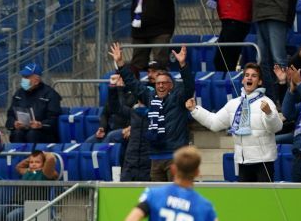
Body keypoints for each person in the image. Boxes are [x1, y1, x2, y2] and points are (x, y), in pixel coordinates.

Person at [110, 43, 195, 182]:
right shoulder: (150, 97)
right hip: (155, 158)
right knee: (158, 199)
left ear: (171, 85)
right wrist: (120, 64)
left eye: (164, 83)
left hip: (175, 156)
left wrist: (183, 65)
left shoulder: (179, 98)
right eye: (158, 83)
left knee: (175, 196)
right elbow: (132, 83)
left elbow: (189, 85)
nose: (160, 86)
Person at [186, 63, 283, 181]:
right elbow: (214, 123)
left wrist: (269, 113)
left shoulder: (266, 102)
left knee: (264, 199)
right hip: (242, 162)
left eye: (254, 76)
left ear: (260, 82)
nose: (249, 78)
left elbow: (276, 128)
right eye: (247, 75)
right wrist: (195, 110)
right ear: (242, 80)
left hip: (263, 162)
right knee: (246, 199)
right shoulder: (234, 104)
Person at [0, 150, 59, 221]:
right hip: (16, 204)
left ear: (43, 163)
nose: (33, 164)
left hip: (34, 207)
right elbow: (19, 166)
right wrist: (33, 157)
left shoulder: (45, 173)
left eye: (37, 162)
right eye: (31, 162)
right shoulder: (27, 171)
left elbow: (51, 158)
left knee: (12, 217)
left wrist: (42, 154)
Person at [5, 62, 62, 143]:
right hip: (22, 130)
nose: (23, 79)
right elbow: (10, 115)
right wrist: (14, 123)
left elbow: (54, 119)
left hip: (44, 133)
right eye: (23, 77)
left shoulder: (50, 94)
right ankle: (18, 155)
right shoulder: (19, 94)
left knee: (32, 134)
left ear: (36, 80)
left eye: (26, 77)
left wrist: (40, 124)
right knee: (17, 133)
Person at [86, 73, 135, 144]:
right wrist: (102, 127)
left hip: (124, 131)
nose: (118, 81)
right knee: (89, 142)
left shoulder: (133, 95)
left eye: (120, 78)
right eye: (117, 79)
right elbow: (104, 114)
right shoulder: (113, 94)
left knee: (109, 138)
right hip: (110, 130)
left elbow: (121, 109)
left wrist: (120, 89)